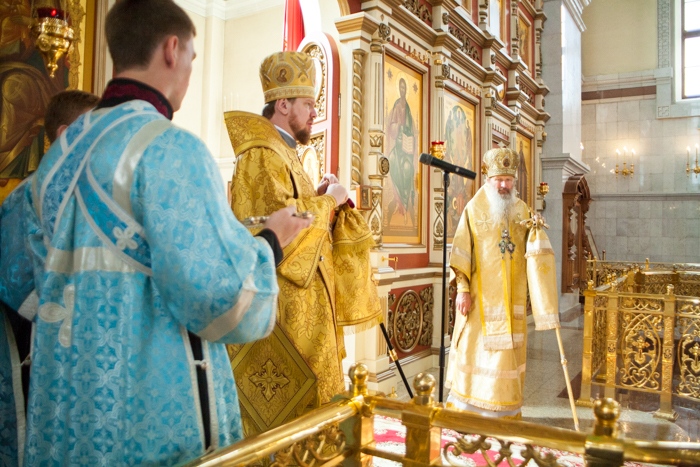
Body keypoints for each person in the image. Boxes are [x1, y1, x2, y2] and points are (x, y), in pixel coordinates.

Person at [0, 0, 312, 464]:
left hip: (68, 407)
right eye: (192, 57)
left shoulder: (59, 156)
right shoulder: (171, 149)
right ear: (172, 49)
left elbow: (17, 278)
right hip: (147, 408)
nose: (188, 70)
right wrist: (271, 241)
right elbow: (219, 297)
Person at [224, 51, 351, 436]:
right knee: (289, 421)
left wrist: (319, 195)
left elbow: (291, 207)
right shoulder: (261, 155)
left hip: (305, 309)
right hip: (284, 316)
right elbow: (279, 233)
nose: (314, 113)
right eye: (308, 104)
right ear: (283, 105)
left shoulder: (284, 152)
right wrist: (330, 201)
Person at [0, 88, 98, 467]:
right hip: (31, 355)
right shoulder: (26, 199)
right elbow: (19, 286)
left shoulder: (75, 197)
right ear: (66, 135)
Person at [445, 147, 559, 419]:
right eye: (499, 180)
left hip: (513, 299)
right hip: (480, 299)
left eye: (509, 180)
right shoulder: (474, 209)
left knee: (509, 354)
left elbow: (531, 247)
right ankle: (469, 409)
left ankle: (504, 412)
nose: (504, 186)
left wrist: (537, 229)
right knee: (476, 350)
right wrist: (462, 290)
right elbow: (461, 253)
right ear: (489, 179)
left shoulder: (522, 209)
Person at [385, 77, 417, 226]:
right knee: (392, 161)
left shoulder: (408, 108)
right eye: (401, 88)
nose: (402, 90)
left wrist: (408, 134)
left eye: (404, 88)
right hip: (398, 145)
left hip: (407, 147)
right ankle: (399, 201)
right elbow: (392, 127)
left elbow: (412, 129)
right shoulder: (397, 105)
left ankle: (405, 201)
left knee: (408, 168)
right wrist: (398, 126)